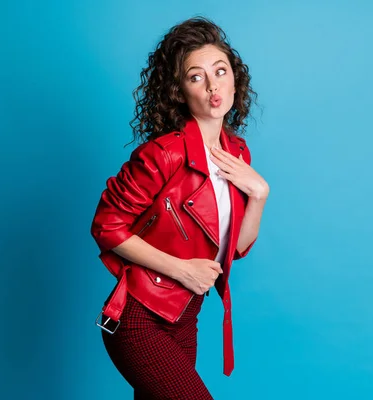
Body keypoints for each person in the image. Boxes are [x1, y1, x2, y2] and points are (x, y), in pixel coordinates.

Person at [91, 16, 269, 400]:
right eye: (196, 77)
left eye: (220, 71)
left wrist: (259, 195)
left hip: (186, 318)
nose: (212, 85)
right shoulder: (164, 153)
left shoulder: (237, 153)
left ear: (235, 80)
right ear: (180, 92)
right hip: (140, 318)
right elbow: (107, 226)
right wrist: (182, 269)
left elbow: (236, 248)